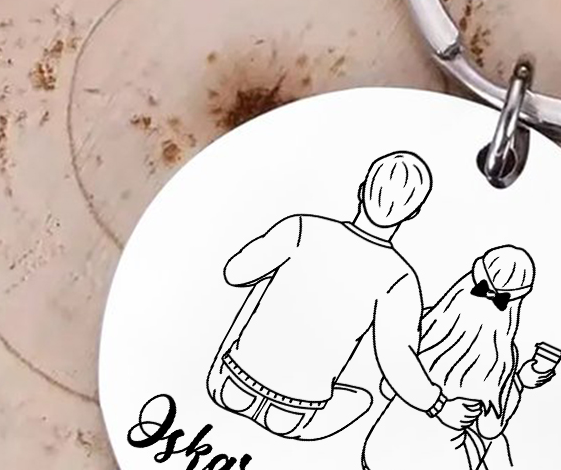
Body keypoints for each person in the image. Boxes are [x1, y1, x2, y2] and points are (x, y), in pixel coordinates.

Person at [206, 151, 482, 440]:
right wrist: (440, 406)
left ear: (362, 190)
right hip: (293, 415)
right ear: (413, 213)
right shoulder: (401, 279)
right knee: (361, 399)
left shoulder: (300, 227)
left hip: (228, 385)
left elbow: (235, 273)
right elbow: (396, 359)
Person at [362, 244, 554, 470]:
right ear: (515, 304)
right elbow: (490, 429)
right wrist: (520, 382)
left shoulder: (425, 323)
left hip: (378, 459)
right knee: (483, 448)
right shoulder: (504, 359)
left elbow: (386, 388)